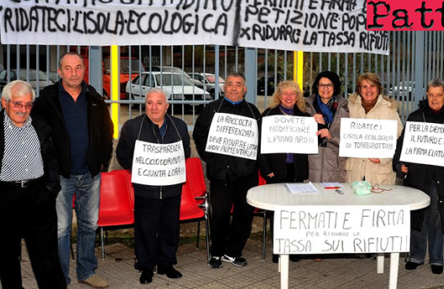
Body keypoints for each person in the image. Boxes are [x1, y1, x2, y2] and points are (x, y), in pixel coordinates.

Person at [32, 52, 113, 288]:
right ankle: (61, 277)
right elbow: (36, 134)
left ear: (84, 70)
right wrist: (49, 167)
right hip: (61, 177)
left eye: (78, 68)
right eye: (68, 68)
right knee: (61, 229)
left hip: (91, 174)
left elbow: (107, 132)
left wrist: (101, 162)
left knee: (89, 225)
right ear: (59, 72)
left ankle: (87, 271)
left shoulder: (95, 98)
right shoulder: (47, 99)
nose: (74, 73)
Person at [0, 80, 66, 289]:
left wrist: (51, 188)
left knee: (47, 255)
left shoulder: (41, 125)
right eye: (18, 104)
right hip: (4, 198)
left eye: (28, 105)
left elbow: (52, 158)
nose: (23, 110)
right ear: (5, 102)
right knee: (7, 256)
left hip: (39, 196)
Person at [116, 88, 190, 284]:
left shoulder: (180, 126)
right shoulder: (132, 127)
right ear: (145, 104)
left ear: (167, 106)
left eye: (159, 103)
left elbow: (186, 152)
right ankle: (146, 266)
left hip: (172, 189)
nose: (154, 107)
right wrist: (141, 169)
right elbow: (122, 155)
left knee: (170, 227)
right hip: (145, 189)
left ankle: (166, 263)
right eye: (150, 102)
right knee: (145, 228)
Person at [193, 72, 261, 269]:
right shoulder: (211, 109)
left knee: (244, 214)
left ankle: (233, 251)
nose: (233, 87)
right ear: (224, 88)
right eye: (230, 84)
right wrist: (210, 157)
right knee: (219, 214)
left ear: (244, 89)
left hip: (246, 173)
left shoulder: (253, 111)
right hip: (220, 172)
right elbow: (199, 134)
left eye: (238, 84)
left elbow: (259, 141)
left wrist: (251, 164)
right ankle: (217, 251)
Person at [393, 78, 444, 274]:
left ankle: (437, 259)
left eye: (439, 95)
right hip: (418, 177)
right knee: (418, 218)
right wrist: (399, 164)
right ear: (426, 95)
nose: (434, 99)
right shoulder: (415, 117)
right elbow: (402, 143)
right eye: (431, 95)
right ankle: (416, 255)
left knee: (437, 219)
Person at [258, 80, 309, 263]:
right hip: (276, 171)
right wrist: (266, 170)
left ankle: (293, 249)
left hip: (296, 170)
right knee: (277, 213)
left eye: (292, 94)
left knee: (295, 212)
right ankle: (279, 250)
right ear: (278, 96)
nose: (289, 97)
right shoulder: (268, 115)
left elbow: (314, 142)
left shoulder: (305, 117)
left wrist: (319, 124)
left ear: (297, 97)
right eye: (285, 93)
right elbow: (260, 145)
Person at [346, 73, 403, 185]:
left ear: (378, 89)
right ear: (359, 89)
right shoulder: (349, 107)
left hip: (380, 173)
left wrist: (383, 158)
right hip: (355, 172)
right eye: (364, 86)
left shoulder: (389, 110)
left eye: (372, 86)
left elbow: (399, 138)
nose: (369, 90)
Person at [305, 71, 349, 183]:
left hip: (335, 166)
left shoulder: (346, 108)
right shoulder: (305, 107)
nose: (325, 88)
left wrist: (331, 136)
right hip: (311, 164)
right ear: (317, 86)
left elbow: (350, 141)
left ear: (335, 87)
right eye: (322, 85)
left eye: (329, 85)